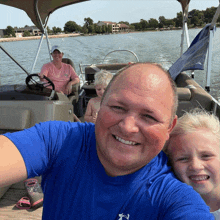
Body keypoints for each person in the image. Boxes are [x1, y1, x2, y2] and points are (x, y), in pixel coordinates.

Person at [0, 63, 214, 219]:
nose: (128, 127)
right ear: (100, 105)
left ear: (170, 127)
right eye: (118, 108)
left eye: (149, 117)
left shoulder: (172, 195)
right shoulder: (59, 140)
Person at [164, 109, 220, 219]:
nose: (195, 166)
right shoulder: (163, 206)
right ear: (171, 164)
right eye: (183, 159)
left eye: (206, 156)